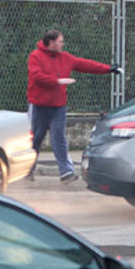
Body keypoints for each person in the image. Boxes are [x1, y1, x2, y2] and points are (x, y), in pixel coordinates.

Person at [27, 29, 121, 183]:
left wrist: (108, 69)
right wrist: (57, 81)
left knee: (59, 138)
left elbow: (85, 65)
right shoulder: (35, 56)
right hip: (39, 106)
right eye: (60, 41)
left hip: (58, 106)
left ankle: (66, 172)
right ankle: (27, 169)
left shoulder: (65, 58)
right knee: (35, 139)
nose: (62, 44)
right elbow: (36, 76)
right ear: (51, 42)